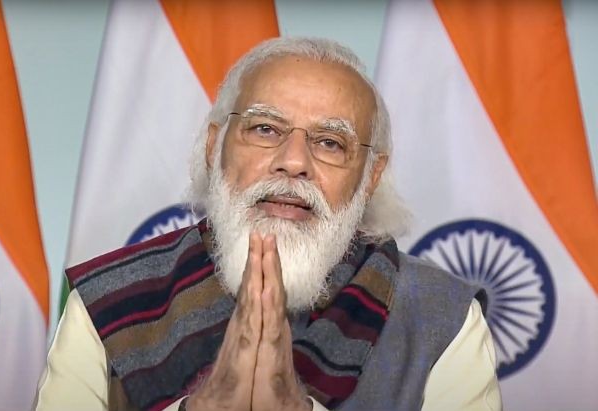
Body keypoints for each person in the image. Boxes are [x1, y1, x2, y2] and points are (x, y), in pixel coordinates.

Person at [34, 37, 502, 411]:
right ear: (214, 147)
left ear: (370, 175)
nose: (294, 162)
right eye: (264, 130)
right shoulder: (108, 300)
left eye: (330, 142)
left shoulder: (445, 317)